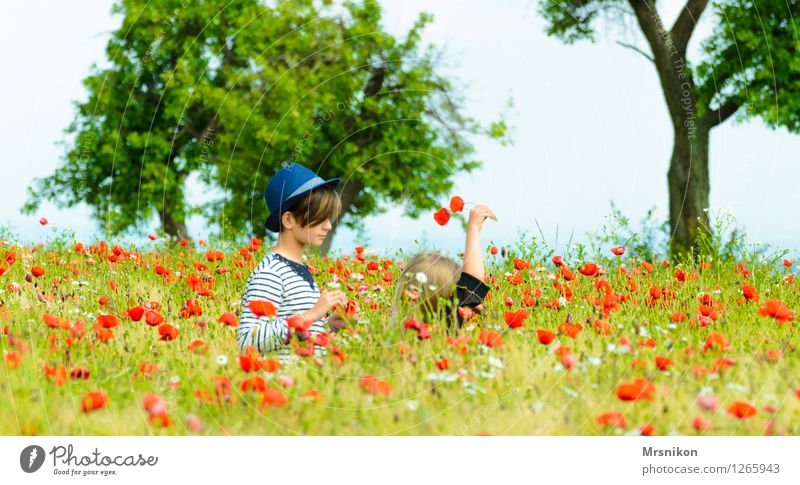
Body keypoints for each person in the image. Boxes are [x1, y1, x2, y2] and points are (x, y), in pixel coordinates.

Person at [238, 163, 349, 357]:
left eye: (329, 218)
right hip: (278, 383)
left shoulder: (299, 270)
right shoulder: (270, 272)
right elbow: (248, 340)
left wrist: (328, 326)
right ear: (288, 220)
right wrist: (311, 315)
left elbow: (297, 337)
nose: (328, 226)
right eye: (320, 217)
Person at [389, 204, 496, 330]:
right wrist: (474, 228)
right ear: (450, 297)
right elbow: (473, 281)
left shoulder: (395, 335)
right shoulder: (447, 324)